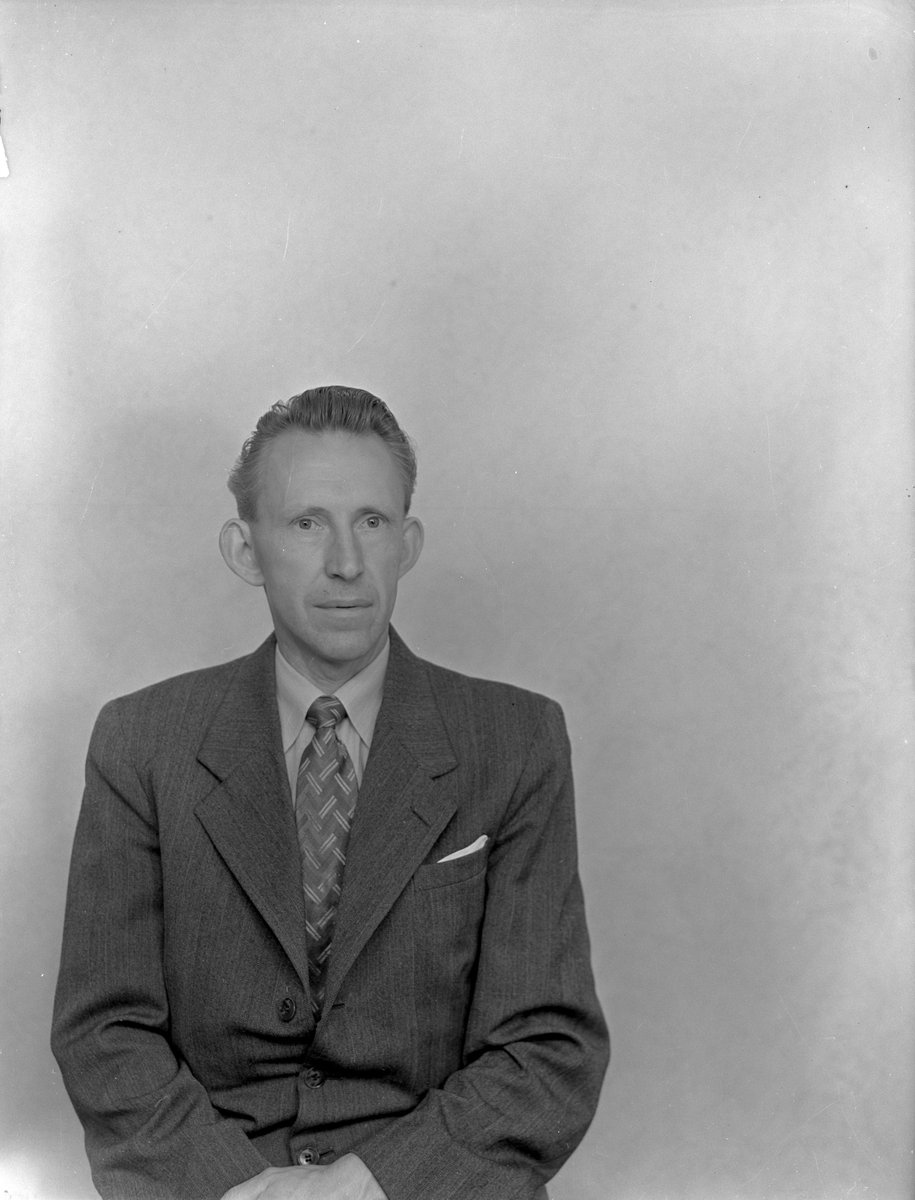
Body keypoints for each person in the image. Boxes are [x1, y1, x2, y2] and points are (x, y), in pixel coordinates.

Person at [51, 386, 609, 1200]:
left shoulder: (515, 740)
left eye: (371, 522)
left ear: (407, 543)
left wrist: (371, 1184)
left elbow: (547, 1046)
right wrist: (237, 1188)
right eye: (307, 523)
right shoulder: (141, 742)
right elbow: (104, 1031)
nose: (346, 562)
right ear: (245, 550)